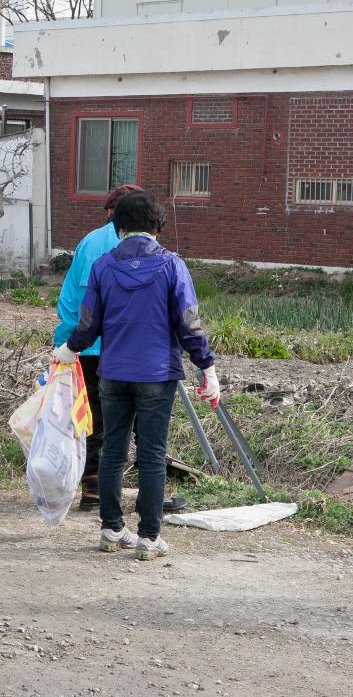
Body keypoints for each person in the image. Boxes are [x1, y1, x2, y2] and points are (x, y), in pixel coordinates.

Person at [53, 190, 220, 560]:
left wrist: (68, 349)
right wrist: (206, 366)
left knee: (113, 450)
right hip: (157, 375)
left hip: (113, 372)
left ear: (118, 225)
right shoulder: (172, 265)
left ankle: (112, 529)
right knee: (152, 452)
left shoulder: (103, 267)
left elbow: (87, 324)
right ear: (157, 227)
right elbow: (189, 323)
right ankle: (148, 536)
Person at [53, 184, 141, 509]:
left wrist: (65, 345)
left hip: (84, 346)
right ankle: (138, 493)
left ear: (108, 211)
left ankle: (93, 489)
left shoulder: (89, 242)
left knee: (93, 419)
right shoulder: (136, 245)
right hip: (120, 349)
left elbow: (72, 300)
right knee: (134, 420)